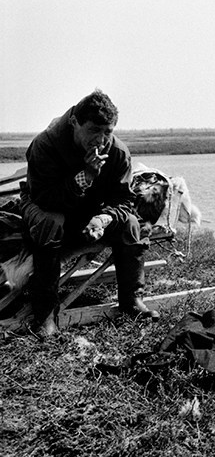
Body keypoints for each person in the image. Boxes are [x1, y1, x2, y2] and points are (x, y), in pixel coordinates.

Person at [20, 90, 158, 335]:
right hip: (45, 206)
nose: (101, 140)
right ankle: (45, 315)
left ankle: (131, 301)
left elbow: (124, 199)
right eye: (94, 130)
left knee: (131, 223)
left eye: (107, 132)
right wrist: (84, 177)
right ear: (75, 122)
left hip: (89, 210)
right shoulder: (45, 145)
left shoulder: (117, 152)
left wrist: (103, 219)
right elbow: (45, 198)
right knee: (51, 222)